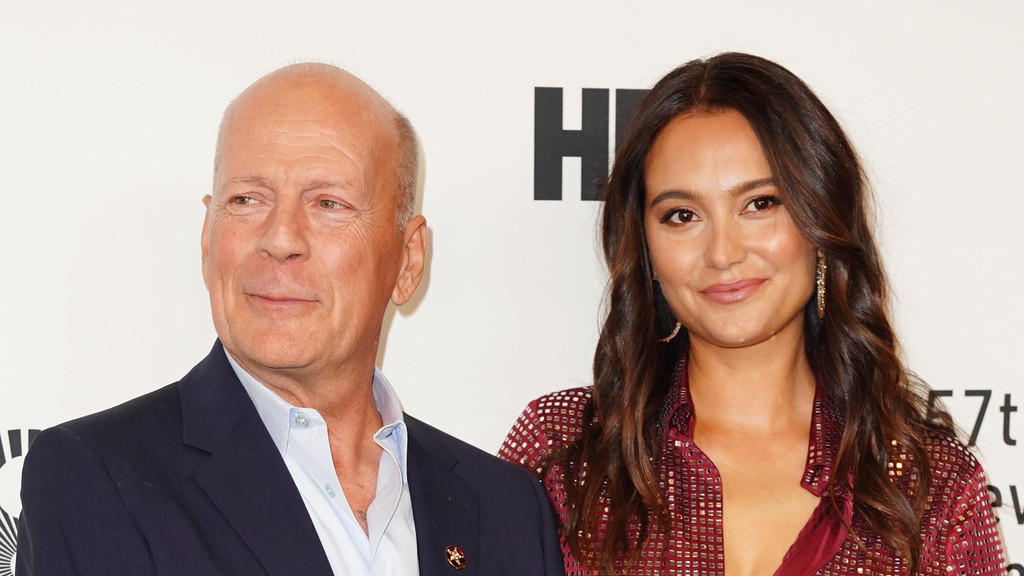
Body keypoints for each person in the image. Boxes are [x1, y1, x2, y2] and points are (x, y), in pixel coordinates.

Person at [17, 63, 563, 576]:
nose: (280, 240)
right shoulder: (97, 478)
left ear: (407, 261)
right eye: (247, 200)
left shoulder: (507, 507)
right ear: (207, 238)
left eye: (329, 204)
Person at [501, 53, 1006, 576]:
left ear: (821, 218)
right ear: (645, 248)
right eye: (682, 215)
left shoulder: (930, 487)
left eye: (760, 204)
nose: (723, 253)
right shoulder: (561, 452)